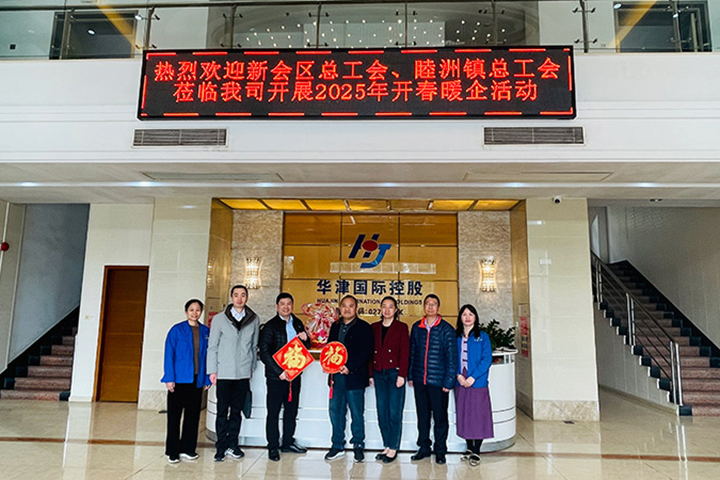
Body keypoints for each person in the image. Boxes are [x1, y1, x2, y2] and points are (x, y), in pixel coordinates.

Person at [207, 285, 260, 462]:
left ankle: (233, 444)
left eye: (243, 295)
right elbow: (212, 346)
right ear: (231, 297)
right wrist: (212, 370)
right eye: (236, 295)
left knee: (236, 411)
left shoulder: (253, 319)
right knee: (222, 411)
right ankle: (221, 446)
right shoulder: (219, 319)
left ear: (247, 298)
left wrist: (251, 367)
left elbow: (254, 346)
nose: (239, 298)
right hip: (224, 372)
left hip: (243, 373)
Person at [259, 292, 312, 461]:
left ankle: (288, 442)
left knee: (291, 411)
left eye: (289, 303)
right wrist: (279, 372)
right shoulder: (270, 326)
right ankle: (273, 446)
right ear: (277, 306)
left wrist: (306, 338)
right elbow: (264, 352)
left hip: (294, 376)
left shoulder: (297, 323)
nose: (286, 307)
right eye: (282, 304)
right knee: (273, 412)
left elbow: (305, 346)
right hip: (277, 378)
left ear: (292, 305)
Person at [408, 294, 457, 465]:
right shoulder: (417, 327)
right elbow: (412, 353)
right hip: (420, 380)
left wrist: (449, 381)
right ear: (424, 307)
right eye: (427, 304)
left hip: (439, 382)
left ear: (438, 307)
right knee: (422, 417)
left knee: (440, 418)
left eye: (433, 304)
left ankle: (440, 450)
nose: (430, 307)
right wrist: (411, 375)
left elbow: (452, 358)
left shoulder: (446, 329)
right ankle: (424, 447)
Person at [324, 295, 373, 463]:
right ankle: (337, 445)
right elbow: (330, 348)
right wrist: (327, 364)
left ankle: (358, 445)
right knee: (335, 412)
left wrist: (349, 366)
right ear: (340, 308)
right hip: (336, 378)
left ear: (356, 308)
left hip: (355, 377)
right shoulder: (335, 326)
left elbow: (366, 352)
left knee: (356, 413)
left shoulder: (364, 327)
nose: (347, 309)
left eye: (351, 306)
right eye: (344, 306)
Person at [161, 299, 211, 464]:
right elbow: (169, 355)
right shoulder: (176, 330)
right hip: (179, 380)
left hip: (197, 380)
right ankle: (173, 451)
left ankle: (188, 449)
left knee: (193, 416)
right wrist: (169, 378)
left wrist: (206, 378)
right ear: (186, 312)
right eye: (191, 310)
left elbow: (208, 357)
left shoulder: (205, 331)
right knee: (174, 417)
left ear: (201, 312)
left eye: (197, 310)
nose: (194, 313)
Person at [370, 296, 409, 464]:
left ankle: (393, 447)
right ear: (380, 309)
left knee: (394, 412)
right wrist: (370, 374)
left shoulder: (401, 327)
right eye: (384, 306)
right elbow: (370, 352)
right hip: (379, 373)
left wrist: (402, 375)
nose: (387, 310)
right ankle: (386, 445)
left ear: (396, 310)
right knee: (382, 411)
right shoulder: (374, 327)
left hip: (395, 374)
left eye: (390, 307)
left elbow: (405, 352)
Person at [454, 304, 494, 466]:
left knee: (478, 415)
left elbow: (486, 359)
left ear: (475, 317)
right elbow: (451, 357)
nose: (468, 317)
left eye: (471, 314)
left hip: (477, 382)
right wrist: (458, 375)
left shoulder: (482, 336)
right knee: (465, 414)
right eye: (464, 314)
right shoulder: (456, 336)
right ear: (460, 318)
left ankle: (477, 450)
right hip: (460, 382)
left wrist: (473, 377)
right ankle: (469, 448)